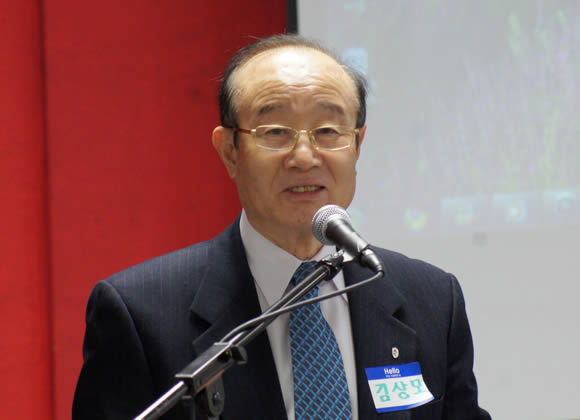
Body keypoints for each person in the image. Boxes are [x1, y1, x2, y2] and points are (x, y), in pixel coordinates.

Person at [73, 34, 491, 420]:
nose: (304, 156)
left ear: (357, 144)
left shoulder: (431, 299)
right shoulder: (141, 314)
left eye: (328, 131)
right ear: (230, 151)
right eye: (275, 132)